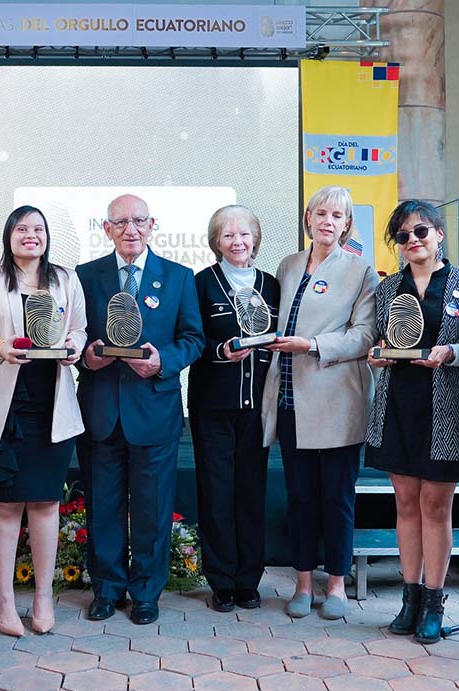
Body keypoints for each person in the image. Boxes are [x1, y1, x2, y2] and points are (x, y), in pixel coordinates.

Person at [76, 193, 204, 625]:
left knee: (151, 507)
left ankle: (147, 592)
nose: (130, 229)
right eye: (120, 222)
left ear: (153, 226)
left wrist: (162, 361)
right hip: (100, 411)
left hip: (154, 412)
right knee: (103, 505)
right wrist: (85, 357)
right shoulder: (84, 276)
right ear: (106, 228)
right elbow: (74, 335)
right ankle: (107, 590)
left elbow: (193, 338)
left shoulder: (179, 277)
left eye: (139, 221)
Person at [366, 200, 459, 644]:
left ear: (439, 234)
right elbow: (380, 341)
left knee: (436, 506)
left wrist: (452, 353)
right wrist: (377, 354)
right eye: (403, 236)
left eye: (421, 232)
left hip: (446, 409)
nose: (413, 241)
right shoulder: (388, 288)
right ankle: (409, 597)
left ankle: (435, 599)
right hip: (397, 404)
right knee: (405, 504)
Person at [0, 205, 87, 636]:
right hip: (6, 408)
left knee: (45, 504)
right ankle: (2, 600)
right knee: (4, 505)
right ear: (9, 235)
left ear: (46, 236)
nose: (30, 235)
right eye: (22, 228)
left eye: (38, 229)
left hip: (53, 406)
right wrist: (1, 348)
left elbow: (79, 329)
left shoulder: (66, 279)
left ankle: (42, 596)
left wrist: (74, 345)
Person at [262, 187, 378, 621]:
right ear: (308, 218)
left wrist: (312, 344)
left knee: (337, 499)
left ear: (347, 224)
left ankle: (336, 585)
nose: (328, 221)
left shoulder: (362, 271)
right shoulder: (288, 265)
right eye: (321, 213)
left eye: (338, 215)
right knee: (300, 498)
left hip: (336, 401)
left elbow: (364, 336)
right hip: (290, 399)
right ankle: (303, 583)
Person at [188, 205, 280, 613]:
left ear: (255, 239)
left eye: (244, 235)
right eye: (227, 236)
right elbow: (191, 339)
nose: (237, 242)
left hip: (258, 407)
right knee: (217, 494)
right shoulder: (200, 284)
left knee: (250, 493)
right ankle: (222, 581)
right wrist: (220, 351)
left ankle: (249, 580)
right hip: (213, 406)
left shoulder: (273, 285)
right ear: (216, 242)